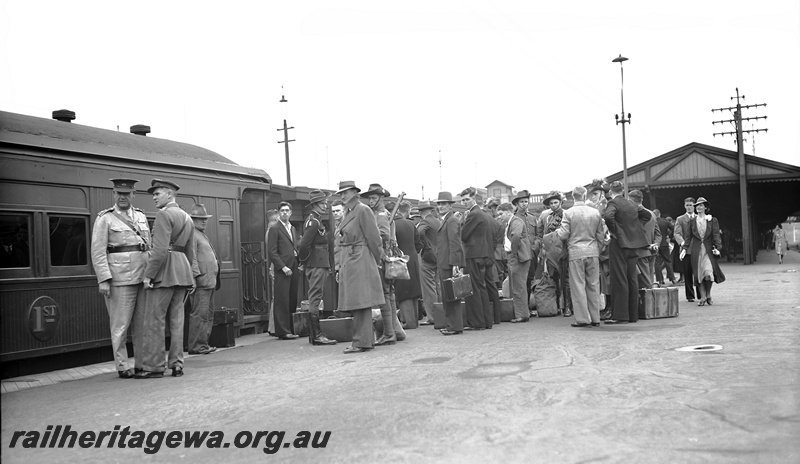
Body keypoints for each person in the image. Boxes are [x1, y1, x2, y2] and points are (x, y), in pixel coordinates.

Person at [90, 178, 151, 379]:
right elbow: (98, 252)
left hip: (142, 277)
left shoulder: (140, 216)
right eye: (119, 193)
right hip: (119, 279)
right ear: (113, 194)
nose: (123, 197)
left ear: (133, 194)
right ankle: (123, 366)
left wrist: (150, 274)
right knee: (120, 326)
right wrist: (103, 279)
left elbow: (147, 246)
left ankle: (141, 364)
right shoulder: (105, 219)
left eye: (127, 193)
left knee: (141, 326)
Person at [139, 179, 195, 379]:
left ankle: (154, 366)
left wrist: (148, 275)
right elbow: (190, 249)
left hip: (164, 272)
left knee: (154, 320)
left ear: (169, 194)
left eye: (157, 194)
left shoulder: (163, 214)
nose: (154, 198)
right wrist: (192, 275)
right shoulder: (187, 217)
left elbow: (160, 250)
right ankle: (177, 364)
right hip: (182, 271)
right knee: (177, 321)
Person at [334, 181, 385, 353]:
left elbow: (374, 237)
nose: (342, 196)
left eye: (346, 192)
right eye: (341, 193)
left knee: (361, 302)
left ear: (355, 193)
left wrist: (378, 259)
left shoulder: (363, 210)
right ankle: (363, 340)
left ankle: (361, 341)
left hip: (360, 258)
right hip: (352, 259)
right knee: (358, 302)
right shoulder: (351, 211)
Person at [550, 186, 605, 327]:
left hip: (576, 252)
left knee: (578, 286)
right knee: (593, 285)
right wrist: (597, 249)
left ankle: (583, 319)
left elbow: (563, 234)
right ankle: (596, 318)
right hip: (592, 251)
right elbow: (600, 235)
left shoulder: (569, 213)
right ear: (585, 195)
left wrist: (556, 233)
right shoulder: (595, 213)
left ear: (572, 197)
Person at [362, 183, 405, 345]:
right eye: (370, 198)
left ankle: (389, 333)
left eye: (374, 198)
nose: (371, 201)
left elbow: (383, 235)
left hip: (382, 257)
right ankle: (393, 331)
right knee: (389, 294)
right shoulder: (381, 212)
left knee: (384, 295)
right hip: (387, 257)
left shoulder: (380, 214)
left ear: (381, 198)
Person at [602, 181, 651, 325]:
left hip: (619, 245)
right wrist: (635, 229)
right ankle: (632, 315)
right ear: (623, 190)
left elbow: (608, 217)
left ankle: (620, 316)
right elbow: (647, 215)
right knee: (632, 278)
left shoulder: (613, 203)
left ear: (611, 192)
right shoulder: (632, 204)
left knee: (619, 279)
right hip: (634, 245)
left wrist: (616, 232)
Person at [297, 190, 337, 345]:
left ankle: (314, 335)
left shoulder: (316, 220)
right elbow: (304, 245)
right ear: (314, 205)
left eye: (325, 203)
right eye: (322, 203)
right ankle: (317, 336)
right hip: (317, 263)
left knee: (316, 297)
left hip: (319, 263)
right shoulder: (313, 222)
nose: (325, 206)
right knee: (315, 298)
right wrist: (304, 262)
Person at [459, 187, 493, 330]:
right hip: (482, 254)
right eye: (463, 200)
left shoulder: (473, 214)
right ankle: (486, 321)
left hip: (473, 254)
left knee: (473, 289)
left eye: (467, 199)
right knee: (481, 287)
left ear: (474, 198)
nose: (464, 202)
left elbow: (463, 235)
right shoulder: (482, 213)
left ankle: (477, 322)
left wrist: (462, 221)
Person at [188, 204, 219, 355]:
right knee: (200, 314)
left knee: (207, 314)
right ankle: (197, 346)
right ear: (192, 219)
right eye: (200, 219)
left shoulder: (200, 234)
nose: (204, 221)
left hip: (209, 281)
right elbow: (192, 257)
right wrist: (194, 277)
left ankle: (203, 344)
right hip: (202, 281)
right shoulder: (193, 234)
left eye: (205, 219)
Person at [267, 202, 300, 340]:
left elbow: (293, 246)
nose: (285, 213)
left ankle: (291, 328)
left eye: (287, 210)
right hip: (283, 269)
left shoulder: (292, 228)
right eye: (282, 211)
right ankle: (282, 331)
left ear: (291, 212)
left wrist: (298, 259)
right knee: (282, 300)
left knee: (292, 298)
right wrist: (282, 267)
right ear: (279, 213)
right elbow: (272, 252)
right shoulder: (275, 228)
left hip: (294, 266)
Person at [684, 197, 725, 305]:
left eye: (701, 205)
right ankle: (702, 297)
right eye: (697, 205)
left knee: (708, 273)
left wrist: (718, 248)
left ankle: (708, 294)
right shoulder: (692, 221)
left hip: (708, 250)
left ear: (705, 207)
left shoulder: (712, 220)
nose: (698, 207)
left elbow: (716, 235)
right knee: (699, 275)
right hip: (696, 251)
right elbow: (688, 237)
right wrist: (684, 249)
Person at [435, 191, 466, 335]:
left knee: (451, 296)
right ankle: (451, 325)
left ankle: (454, 326)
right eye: (439, 204)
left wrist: (455, 265)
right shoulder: (447, 220)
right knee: (449, 296)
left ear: (450, 205)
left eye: (444, 204)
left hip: (448, 263)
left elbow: (455, 243)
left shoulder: (451, 220)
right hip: (445, 262)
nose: (441, 206)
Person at [540, 190, 573, 317]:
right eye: (551, 203)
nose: (553, 205)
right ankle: (558, 306)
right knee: (554, 279)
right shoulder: (548, 217)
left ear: (560, 202)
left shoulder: (566, 214)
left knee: (565, 280)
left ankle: (568, 307)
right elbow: (545, 234)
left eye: (555, 202)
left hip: (563, 251)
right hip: (551, 252)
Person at [498, 202, 532, 323]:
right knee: (518, 285)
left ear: (508, 212)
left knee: (518, 287)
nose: (500, 216)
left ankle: (522, 315)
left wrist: (514, 252)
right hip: (518, 256)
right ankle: (522, 313)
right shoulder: (513, 222)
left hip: (518, 257)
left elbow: (516, 236)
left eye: (501, 214)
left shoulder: (516, 222)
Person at [391, 200, 423, 329]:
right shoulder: (411, 224)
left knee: (403, 292)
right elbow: (419, 244)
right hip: (413, 259)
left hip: (400, 260)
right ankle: (415, 320)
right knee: (414, 291)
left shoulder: (392, 225)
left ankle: (408, 322)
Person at [628, 190, 660, 290]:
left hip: (640, 253)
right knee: (649, 279)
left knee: (644, 284)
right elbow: (658, 233)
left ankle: (648, 304)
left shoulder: (632, 215)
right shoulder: (652, 214)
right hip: (652, 252)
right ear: (642, 200)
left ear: (630, 200)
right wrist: (656, 244)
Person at [417, 200, 441, 326]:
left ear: (420, 212)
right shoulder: (437, 221)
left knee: (428, 287)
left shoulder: (424, 221)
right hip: (438, 257)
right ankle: (440, 313)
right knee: (437, 285)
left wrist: (425, 247)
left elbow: (420, 233)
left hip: (427, 257)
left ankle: (432, 316)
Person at [513, 190, 538, 306]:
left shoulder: (532, 218)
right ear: (517, 203)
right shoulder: (514, 218)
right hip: (521, 254)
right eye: (522, 202)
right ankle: (523, 307)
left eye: (526, 202)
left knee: (530, 280)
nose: (524, 204)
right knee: (521, 281)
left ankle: (528, 306)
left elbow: (538, 234)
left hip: (532, 253)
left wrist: (536, 245)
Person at [674, 197, 700, 302]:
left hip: (698, 249)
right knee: (687, 273)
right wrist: (683, 243)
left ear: (694, 206)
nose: (689, 207)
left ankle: (700, 293)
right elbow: (677, 233)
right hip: (686, 250)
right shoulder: (680, 219)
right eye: (687, 205)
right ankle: (690, 296)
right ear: (684, 206)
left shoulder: (699, 218)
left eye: (691, 205)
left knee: (698, 273)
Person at [653, 209, 676, 285]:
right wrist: (669, 236)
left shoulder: (652, 222)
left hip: (655, 244)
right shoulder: (665, 221)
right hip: (664, 243)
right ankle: (672, 278)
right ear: (659, 214)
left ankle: (660, 280)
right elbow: (674, 228)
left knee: (657, 262)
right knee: (668, 261)